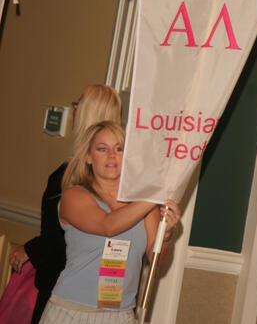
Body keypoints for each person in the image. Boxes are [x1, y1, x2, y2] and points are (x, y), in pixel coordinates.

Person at [39, 120, 181, 323]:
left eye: (119, 149)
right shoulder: (74, 196)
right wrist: (154, 193)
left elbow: (155, 261)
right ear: (88, 156)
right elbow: (109, 226)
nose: (112, 156)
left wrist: (166, 235)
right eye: (102, 149)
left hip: (120, 314)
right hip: (70, 311)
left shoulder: (143, 204)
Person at [9, 84, 122, 323]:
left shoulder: (66, 180)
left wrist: (30, 250)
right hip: (108, 295)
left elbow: (58, 237)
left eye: (78, 104)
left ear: (87, 115)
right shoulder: (123, 183)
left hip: (64, 295)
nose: (74, 109)